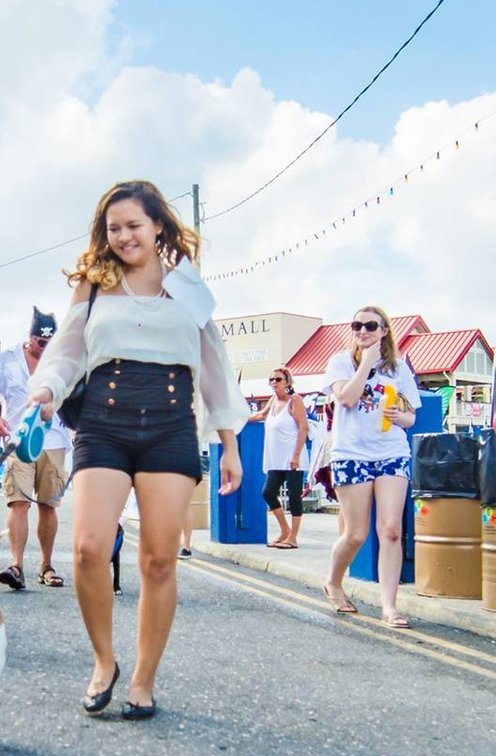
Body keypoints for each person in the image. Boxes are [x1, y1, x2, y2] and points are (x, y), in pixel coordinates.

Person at [29, 179, 244, 721]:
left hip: (172, 422)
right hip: (104, 420)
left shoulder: (186, 286)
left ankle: (144, 680)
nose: (123, 236)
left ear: (157, 227)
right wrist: (47, 388)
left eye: (133, 226)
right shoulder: (94, 283)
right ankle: (104, 661)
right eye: (113, 228)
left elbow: (214, 362)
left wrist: (229, 444)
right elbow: (69, 348)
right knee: (87, 549)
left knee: (157, 560)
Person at [322, 305, 421, 628]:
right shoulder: (341, 362)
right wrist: (365, 362)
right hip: (351, 453)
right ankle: (334, 582)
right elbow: (347, 399)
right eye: (357, 325)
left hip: (391, 451)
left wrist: (400, 417)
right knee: (356, 534)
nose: (362, 331)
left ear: (384, 331)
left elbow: (410, 417)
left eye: (370, 326)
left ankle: (389, 606)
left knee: (391, 530)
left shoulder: (399, 369)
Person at [0, 308, 71, 589]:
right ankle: (16, 566)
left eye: (50, 342)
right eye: (40, 343)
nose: (45, 348)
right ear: (30, 337)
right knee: (18, 502)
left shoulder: (62, 358)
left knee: (48, 504)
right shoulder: (8, 358)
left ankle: (46, 565)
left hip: (54, 439)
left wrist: (56, 403)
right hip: (17, 439)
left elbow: (74, 393)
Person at [250, 366, 311, 549]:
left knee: (294, 497)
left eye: (278, 379)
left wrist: (296, 455)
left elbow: (303, 428)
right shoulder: (273, 401)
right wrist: (236, 419)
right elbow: (261, 415)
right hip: (276, 459)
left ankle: (293, 537)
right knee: (268, 493)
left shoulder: (295, 400)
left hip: (293, 457)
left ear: (287, 382)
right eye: (271, 379)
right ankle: (285, 530)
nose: (274, 382)